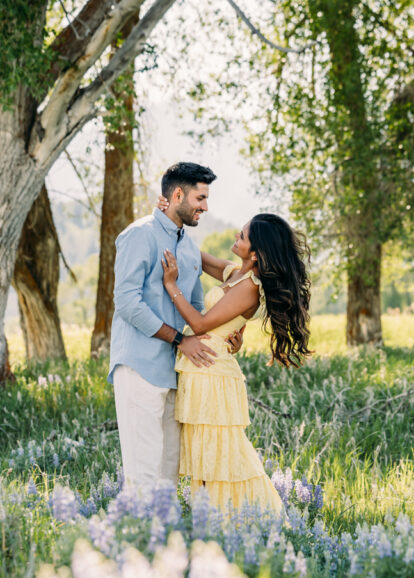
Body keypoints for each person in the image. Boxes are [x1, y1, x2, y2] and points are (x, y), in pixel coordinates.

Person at [158, 201, 313, 514]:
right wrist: (170, 217)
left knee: (221, 454)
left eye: (242, 236)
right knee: (206, 455)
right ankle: (212, 522)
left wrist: (171, 285)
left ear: (255, 254)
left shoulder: (249, 288)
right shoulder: (234, 275)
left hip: (211, 373)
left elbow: (200, 325)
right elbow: (197, 257)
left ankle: (247, 519)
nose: (236, 237)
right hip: (203, 368)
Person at [108, 162, 244, 489]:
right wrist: (177, 340)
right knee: (143, 473)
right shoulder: (138, 235)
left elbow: (197, 309)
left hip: (178, 372)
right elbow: (126, 302)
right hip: (139, 366)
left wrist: (227, 335)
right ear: (178, 194)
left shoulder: (187, 246)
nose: (205, 207)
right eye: (200, 198)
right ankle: (136, 538)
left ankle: (164, 539)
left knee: (168, 473)